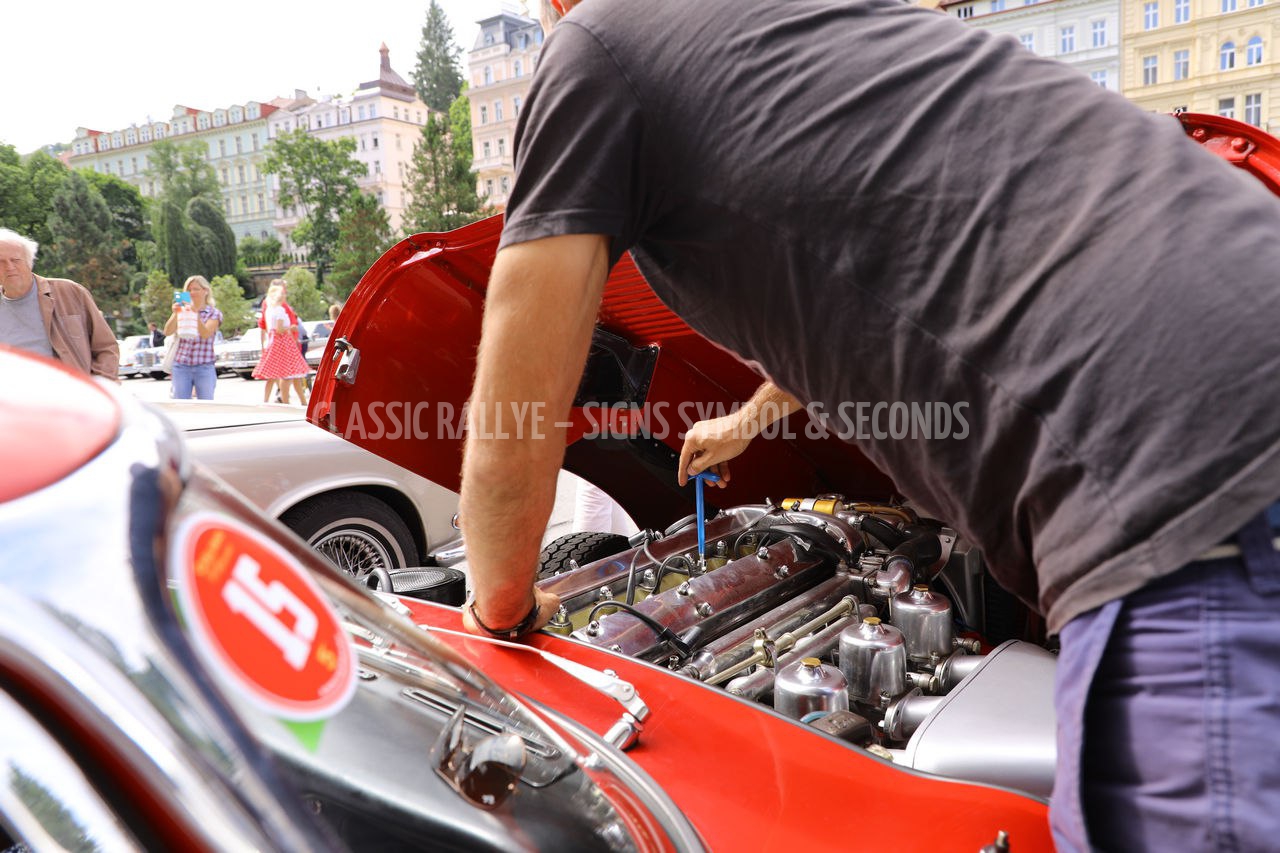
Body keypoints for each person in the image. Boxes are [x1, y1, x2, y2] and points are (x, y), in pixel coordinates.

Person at [457, 0, 1280, 848]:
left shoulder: (595, 47)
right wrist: (749, 418)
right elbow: (900, 249)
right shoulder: (793, 23)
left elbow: (521, 399)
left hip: (1186, 463)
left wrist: (500, 608)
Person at [0, 227, 119, 380]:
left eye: (16, 260)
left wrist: (101, 385)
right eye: (1, 262)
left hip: (71, 391)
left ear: (29, 263)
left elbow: (106, 347)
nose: (10, 267)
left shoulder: (70, 292)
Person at [164, 275, 222, 400]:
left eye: (196, 289)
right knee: (181, 404)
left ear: (205, 291)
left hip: (204, 365)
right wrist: (176, 314)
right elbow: (167, 331)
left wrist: (195, 314)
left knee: (206, 404)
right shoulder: (182, 310)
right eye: (189, 290)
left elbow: (206, 334)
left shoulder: (213, 313)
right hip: (182, 364)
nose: (192, 293)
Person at [252, 282, 309, 405]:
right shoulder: (280, 310)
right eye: (283, 294)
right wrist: (291, 328)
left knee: (289, 374)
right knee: (288, 374)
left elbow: (270, 328)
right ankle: (288, 401)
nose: (285, 295)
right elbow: (279, 329)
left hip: (275, 342)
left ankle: (293, 401)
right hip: (283, 343)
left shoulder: (270, 310)